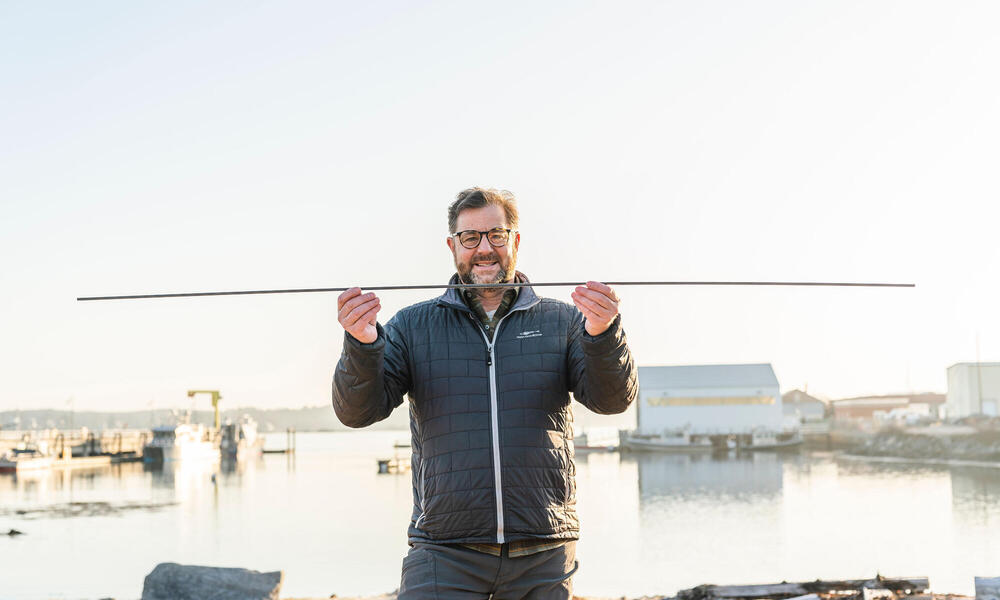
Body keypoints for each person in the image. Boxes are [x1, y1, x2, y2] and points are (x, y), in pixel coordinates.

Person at [332, 187, 637, 599]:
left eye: (496, 234)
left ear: (515, 240)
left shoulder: (563, 321)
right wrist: (363, 344)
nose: (484, 249)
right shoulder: (411, 326)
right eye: (470, 237)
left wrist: (602, 333)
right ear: (452, 245)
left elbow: (613, 399)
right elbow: (356, 412)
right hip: (443, 549)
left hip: (543, 549)